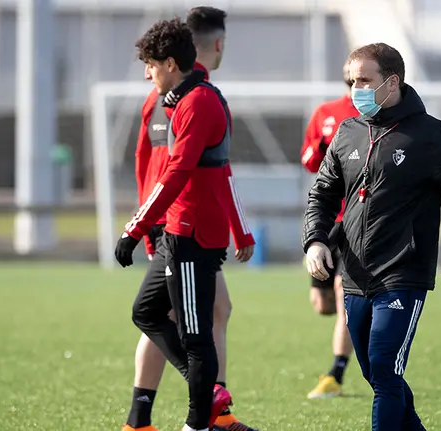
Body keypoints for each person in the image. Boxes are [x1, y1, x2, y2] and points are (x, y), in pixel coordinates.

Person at [302, 43, 441, 430]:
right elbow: (322, 193)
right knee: (378, 375)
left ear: (392, 83)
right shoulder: (347, 132)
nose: (355, 89)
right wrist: (316, 240)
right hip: (354, 274)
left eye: (364, 81)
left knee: (385, 370)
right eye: (353, 81)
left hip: (403, 274)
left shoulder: (430, 136)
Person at [114, 17, 254, 431]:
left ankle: (197, 421)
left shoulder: (198, 102)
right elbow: (156, 169)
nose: (146, 73)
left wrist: (135, 227)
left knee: (198, 332)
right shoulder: (176, 101)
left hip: (190, 232)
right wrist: (146, 223)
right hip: (173, 228)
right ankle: (201, 398)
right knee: (148, 313)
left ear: (171, 63)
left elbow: (178, 172)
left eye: (151, 65)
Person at [300, 60, 359, 400]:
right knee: (323, 304)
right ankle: (358, 314)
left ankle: (335, 375)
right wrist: (323, 148)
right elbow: (308, 158)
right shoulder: (326, 112)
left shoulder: (377, 118)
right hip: (324, 222)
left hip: (354, 222)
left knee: (342, 293)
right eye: (357, 80)